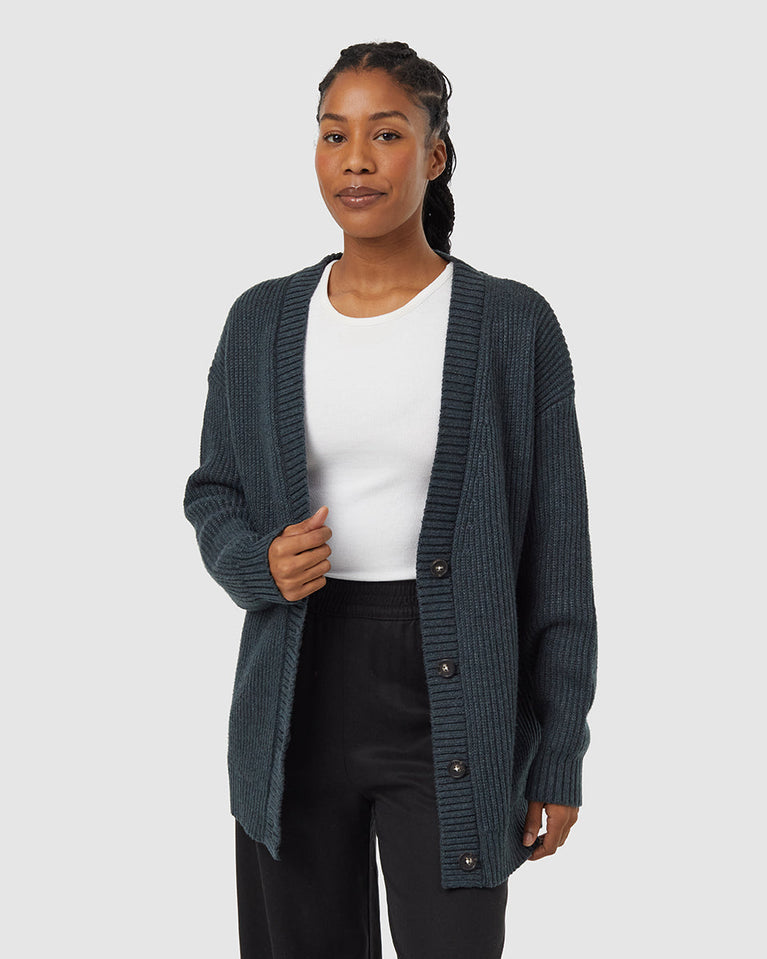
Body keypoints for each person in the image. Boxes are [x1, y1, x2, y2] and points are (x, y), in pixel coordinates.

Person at [183, 40, 598, 959]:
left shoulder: (513, 325)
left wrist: (559, 750)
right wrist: (256, 563)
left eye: (386, 133)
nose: (356, 160)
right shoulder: (259, 321)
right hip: (295, 693)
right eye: (334, 135)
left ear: (434, 154)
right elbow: (214, 490)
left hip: (459, 693)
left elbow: (558, 557)